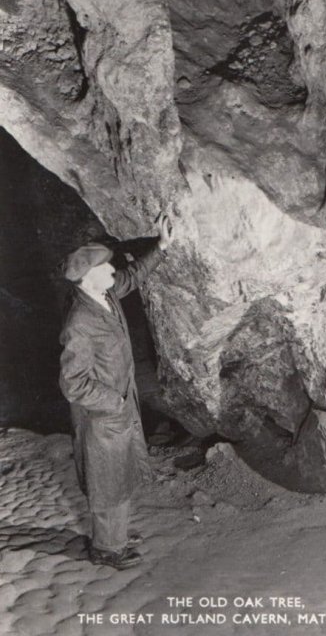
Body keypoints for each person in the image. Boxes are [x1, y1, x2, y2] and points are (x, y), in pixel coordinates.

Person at [59, 213, 173, 570]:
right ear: (89, 277)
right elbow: (72, 382)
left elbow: (133, 275)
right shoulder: (80, 322)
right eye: (107, 269)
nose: (114, 272)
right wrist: (115, 402)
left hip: (118, 408)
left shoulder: (105, 296)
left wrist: (162, 246)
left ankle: (115, 536)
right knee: (107, 482)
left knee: (119, 476)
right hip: (101, 416)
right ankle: (107, 549)